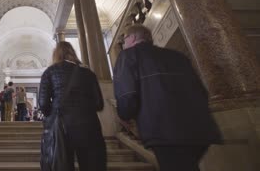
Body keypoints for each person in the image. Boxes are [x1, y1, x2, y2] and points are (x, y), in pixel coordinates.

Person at [113, 24, 221, 171]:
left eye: (124, 40)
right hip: (199, 127)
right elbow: (201, 91)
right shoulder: (178, 56)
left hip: (164, 128)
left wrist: (124, 114)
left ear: (132, 38)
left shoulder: (128, 56)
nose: (123, 44)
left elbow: (127, 93)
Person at [39, 41, 107, 171]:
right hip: (89, 125)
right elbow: (99, 104)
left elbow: (43, 104)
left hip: (61, 127)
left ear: (56, 55)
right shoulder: (88, 73)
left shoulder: (49, 72)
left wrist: (52, 113)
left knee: (61, 165)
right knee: (92, 164)